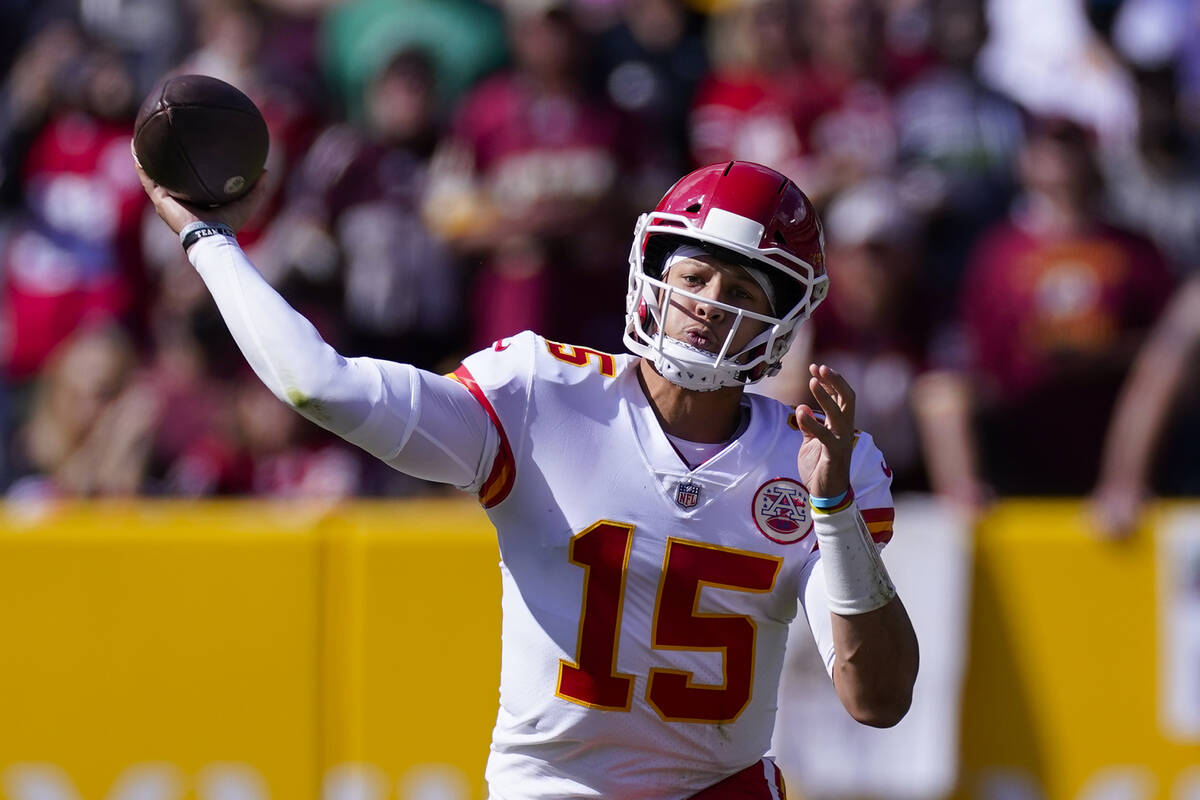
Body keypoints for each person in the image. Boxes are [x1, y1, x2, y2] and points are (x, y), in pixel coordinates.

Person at [137, 156, 918, 799]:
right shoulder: (541, 394)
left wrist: (834, 508)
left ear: (782, 321)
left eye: (742, 292)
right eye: (696, 277)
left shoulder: (817, 461)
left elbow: (876, 699)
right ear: (650, 270)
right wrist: (207, 239)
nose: (709, 306)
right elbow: (321, 385)